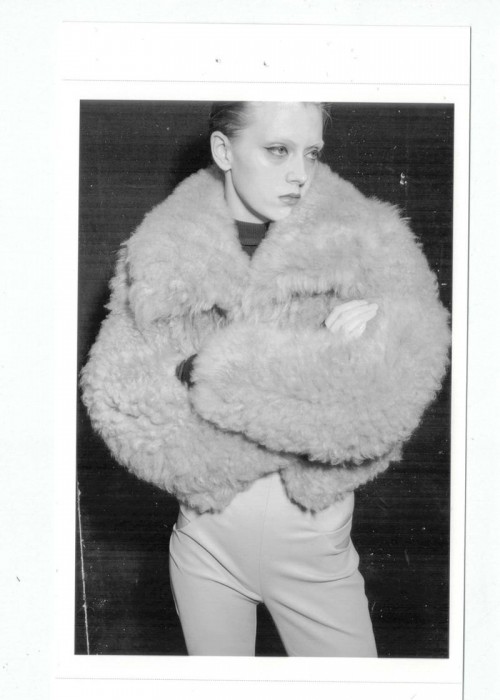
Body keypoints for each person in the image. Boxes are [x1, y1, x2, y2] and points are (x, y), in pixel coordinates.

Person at [81, 101, 450, 657]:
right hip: (205, 543)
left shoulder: (370, 240)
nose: (300, 173)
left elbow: (386, 407)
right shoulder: (159, 250)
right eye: (278, 150)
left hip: (314, 542)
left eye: (311, 153)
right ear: (224, 151)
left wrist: (203, 374)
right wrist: (322, 364)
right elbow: (117, 399)